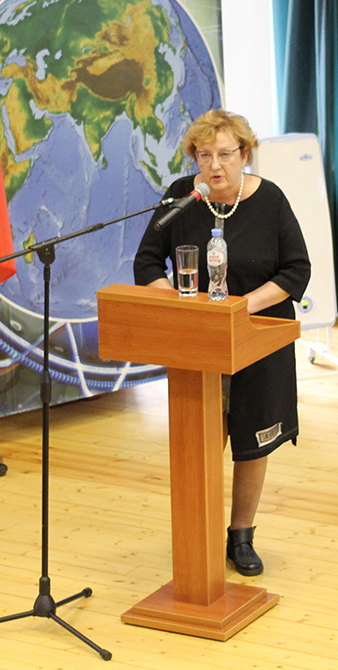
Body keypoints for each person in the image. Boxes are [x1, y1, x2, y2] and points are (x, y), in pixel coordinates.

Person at [133, 110, 310, 576]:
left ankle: (241, 536)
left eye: (226, 155)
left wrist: (242, 307)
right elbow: (147, 263)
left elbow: (296, 270)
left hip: (258, 339)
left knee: (253, 440)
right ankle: (201, 532)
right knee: (202, 441)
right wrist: (181, 306)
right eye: (204, 155)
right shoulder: (181, 197)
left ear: (244, 155)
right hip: (199, 341)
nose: (215, 165)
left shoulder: (270, 200)